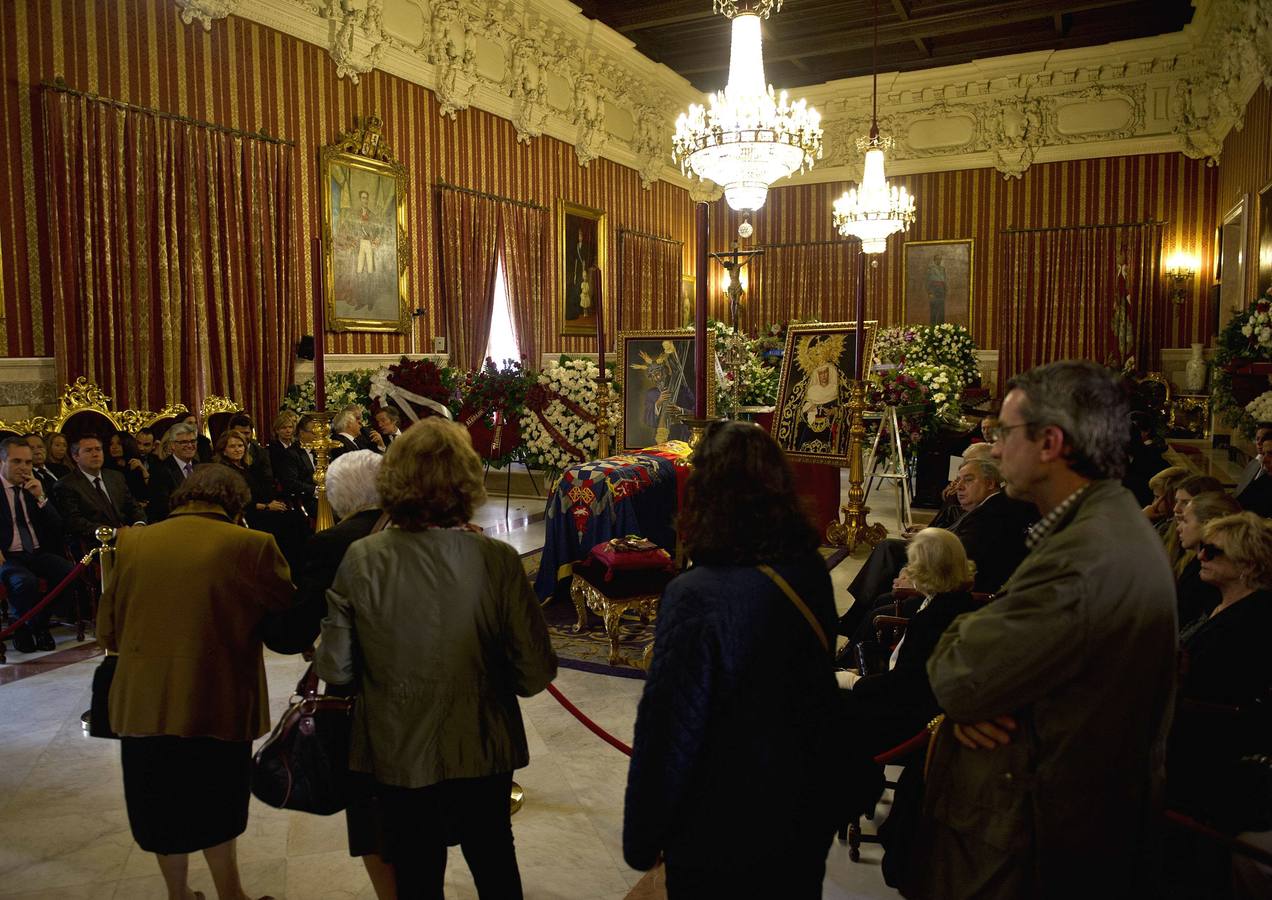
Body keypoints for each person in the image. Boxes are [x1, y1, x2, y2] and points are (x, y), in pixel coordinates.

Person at [913, 360, 1178, 899]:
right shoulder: (1103, 521)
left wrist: (979, 689)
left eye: (1004, 434)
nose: (996, 448)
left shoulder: (1083, 556)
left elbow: (957, 674)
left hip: (1033, 836)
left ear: (1050, 443)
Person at [315, 418, 556, 899]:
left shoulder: (362, 559)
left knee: (417, 870)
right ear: (467, 480)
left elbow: (336, 669)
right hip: (482, 741)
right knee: (493, 860)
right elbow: (533, 674)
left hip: (395, 745)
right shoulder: (497, 559)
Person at [624, 421, 841, 897]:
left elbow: (670, 727)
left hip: (722, 820)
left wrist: (643, 836)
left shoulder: (695, 594)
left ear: (705, 491)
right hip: (803, 804)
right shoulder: (808, 570)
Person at [97, 465, 292, 900]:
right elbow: (286, 610)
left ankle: (179, 894)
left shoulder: (132, 541)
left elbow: (106, 629)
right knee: (216, 802)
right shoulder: (252, 544)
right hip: (216, 696)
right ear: (235, 504)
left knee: (159, 807)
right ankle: (231, 894)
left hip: (143, 700)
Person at [1166, 513, 1272, 889]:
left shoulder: (1256, 618)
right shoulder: (1217, 604)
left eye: (1212, 551)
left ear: (1247, 563)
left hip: (1212, 748)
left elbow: (1223, 689)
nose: (1200, 557)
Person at [839, 456, 1034, 639]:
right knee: (887, 559)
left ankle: (849, 658)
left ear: (990, 483)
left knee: (882, 602)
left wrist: (916, 580)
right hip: (950, 576)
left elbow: (957, 561)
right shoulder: (986, 508)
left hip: (960, 595)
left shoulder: (989, 515)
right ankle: (851, 638)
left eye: (968, 480)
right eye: (959, 481)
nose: (960, 487)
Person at [0, 437, 73, 654]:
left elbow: (58, 525)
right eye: (16, 462)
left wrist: (41, 497)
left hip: (36, 552)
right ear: (1, 461)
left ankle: (37, 622)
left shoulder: (34, 486)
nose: (23, 468)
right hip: (7, 555)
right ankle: (24, 628)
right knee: (25, 582)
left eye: (28, 462)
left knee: (69, 574)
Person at [215, 431, 304, 569]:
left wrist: (273, 502)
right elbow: (235, 502)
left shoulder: (246, 467)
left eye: (240, 445)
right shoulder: (225, 472)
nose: (238, 449)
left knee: (296, 517)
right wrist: (267, 506)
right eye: (232, 446)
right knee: (288, 523)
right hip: (247, 515)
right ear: (224, 451)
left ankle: (294, 567)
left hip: (262, 508)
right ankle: (283, 568)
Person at [52, 434, 146, 547]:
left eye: (98, 449)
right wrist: (115, 533)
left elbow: (133, 506)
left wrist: (139, 525)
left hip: (129, 537)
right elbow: (75, 523)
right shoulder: (66, 485)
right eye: (88, 450)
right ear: (75, 456)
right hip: (96, 544)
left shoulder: (115, 477)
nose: (95, 454)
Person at [1174, 490, 1242, 627]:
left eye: (1185, 521)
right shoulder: (1196, 564)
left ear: (1208, 524)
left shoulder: (1212, 573)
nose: (1178, 529)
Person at [146, 423, 202, 523]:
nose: (190, 445)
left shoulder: (201, 467)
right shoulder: (160, 470)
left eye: (193, 441)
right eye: (184, 442)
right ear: (172, 445)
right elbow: (161, 507)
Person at [106, 431, 151, 507]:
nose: (114, 447)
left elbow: (149, 492)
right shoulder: (107, 468)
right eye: (111, 444)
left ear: (127, 444)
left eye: (119, 443)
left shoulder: (135, 464)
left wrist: (143, 470)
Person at [1236, 434, 1272, 518]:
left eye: (1271, 454)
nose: (1264, 460)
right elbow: (1238, 505)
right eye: (1263, 454)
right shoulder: (1264, 481)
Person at [1233, 422, 1272, 496]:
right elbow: (1239, 492)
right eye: (1257, 439)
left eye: (1271, 454)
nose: (1259, 443)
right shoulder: (1253, 463)